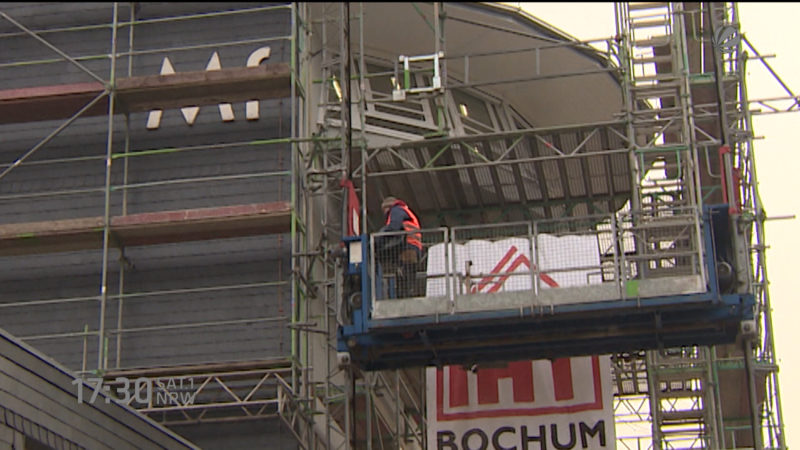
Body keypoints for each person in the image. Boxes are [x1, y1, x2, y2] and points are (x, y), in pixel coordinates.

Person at [375, 196, 424, 298]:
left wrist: (378, 239)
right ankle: (406, 294)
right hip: (413, 247)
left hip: (407, 246)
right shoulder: (404, 210)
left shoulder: (396, 210)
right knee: (407, 273)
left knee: (405, 273)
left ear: (387, 207)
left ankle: (404, 296)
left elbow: (394, 227)